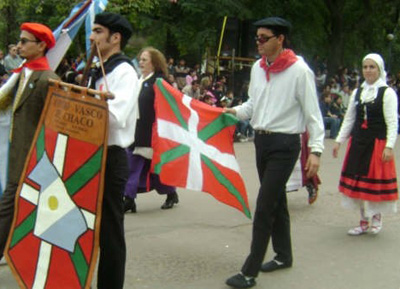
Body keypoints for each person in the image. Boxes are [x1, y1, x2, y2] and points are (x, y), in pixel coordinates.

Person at [224, 17, 324, 288]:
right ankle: (283, 255)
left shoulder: (299, 70)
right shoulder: (258, 68)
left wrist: (316, 150)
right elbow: (254, 105)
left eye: (264, 38)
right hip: (262, 142)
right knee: (277, 201)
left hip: (285, 144)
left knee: (265, 205)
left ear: (280, 40)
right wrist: (232, 112)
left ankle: (249, 271)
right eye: (257, 37)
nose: (258, 42)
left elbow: (313, 115)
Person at [88, 12, 140, 288]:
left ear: (115, 37)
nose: (91, 36)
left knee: (109, 231)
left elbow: (116, 116)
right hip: (87, 155)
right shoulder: (96, 69)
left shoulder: (125, 72)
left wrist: (89, 102)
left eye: (97, 31)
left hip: (111, 156)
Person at [0, 22, 59, 265]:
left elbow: (54, 125)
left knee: (11, 205)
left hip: (33, 156)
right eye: (19, 40)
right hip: (14, 152)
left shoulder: (48, 79)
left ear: (42, 45)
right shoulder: (19, 75)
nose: (19, 45)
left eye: (25, 41)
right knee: (20, 206)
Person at [332, 53, 398, 236]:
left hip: (377, 143)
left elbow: (393, 122)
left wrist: (389, 146)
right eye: (365, 67)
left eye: (372, 67)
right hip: (358, 143)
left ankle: (376, 217)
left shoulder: (387, 92)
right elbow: (349, 119)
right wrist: (339, 141)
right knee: (358, 185)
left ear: (379, 69)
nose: (368, 71)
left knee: (374, 184)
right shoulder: (358, 92)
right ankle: (363, 221)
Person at [123, 46, 179, 213]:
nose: (140, 62)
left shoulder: (160, 82)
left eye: (144, 60)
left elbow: (171, 106)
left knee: (143, 167)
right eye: (140, 59)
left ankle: (130, 198)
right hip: (135, 131)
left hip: (151, 133)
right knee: (141, 167)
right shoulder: (139, 80)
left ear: (154, 63)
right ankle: (132, 198)